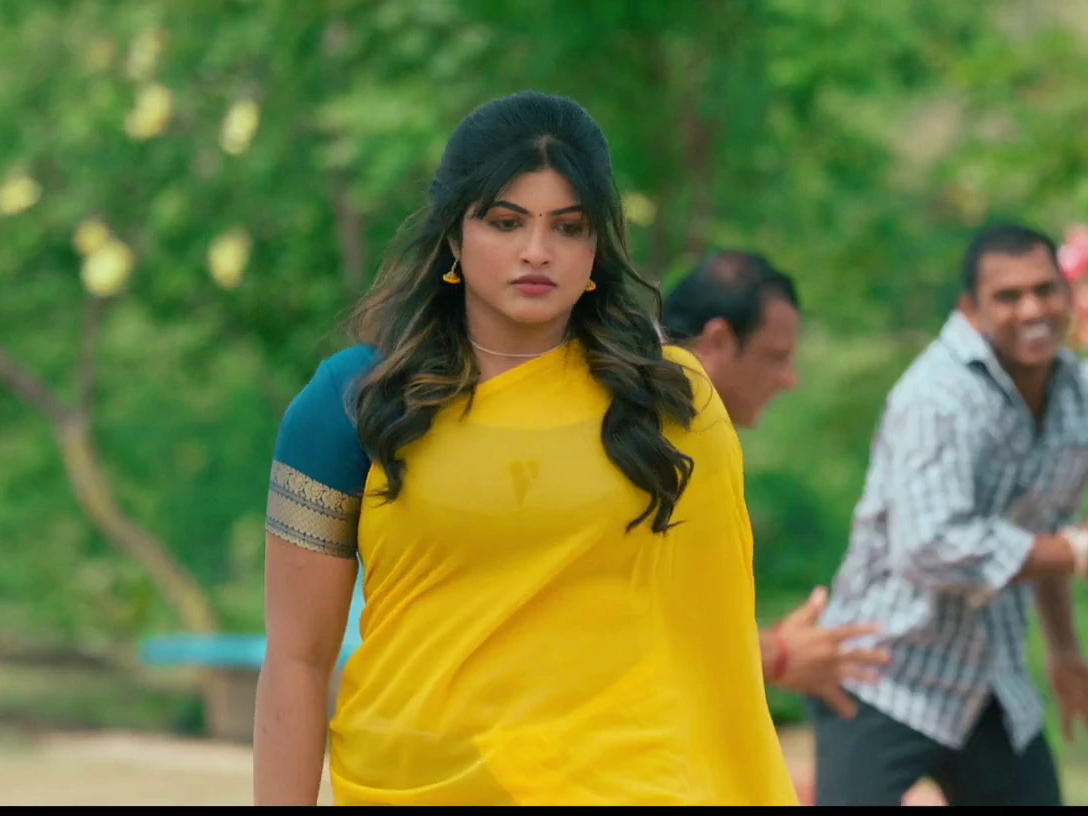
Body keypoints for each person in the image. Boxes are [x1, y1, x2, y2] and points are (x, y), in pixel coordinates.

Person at [252, 91, 797, 807]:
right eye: (506, 222)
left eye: (567, 227)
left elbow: (709, 638)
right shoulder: (353, 404)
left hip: (621, 785)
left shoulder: (667, 402)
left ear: (596, 246)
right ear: (454, 236)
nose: (537, 251)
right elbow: (298, 658)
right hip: (411, 784)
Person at [806, 222, 1088, 806]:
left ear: (1069, 294)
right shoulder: (937, 397)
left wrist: (1065, 651)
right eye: (1008, 296)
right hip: (880, 672)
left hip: (989, 681)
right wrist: (1082, 551)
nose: (1031, 309)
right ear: (971, 310)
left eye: (1045, 289)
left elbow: (1051, 530)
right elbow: (930, 547)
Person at [662, 249, 890, 720]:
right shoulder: (648, 440)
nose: (789, 380)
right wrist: (776, 655)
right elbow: (640, 628)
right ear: (718, 341)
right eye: (775, 358)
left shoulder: (688, 435)